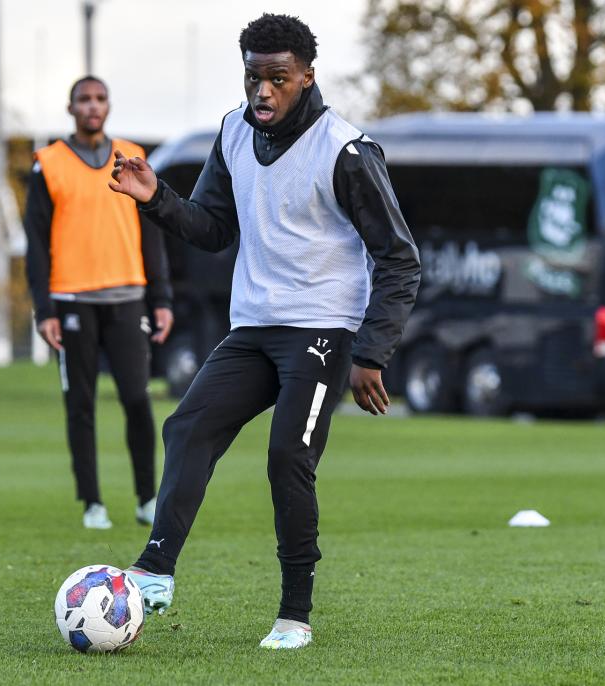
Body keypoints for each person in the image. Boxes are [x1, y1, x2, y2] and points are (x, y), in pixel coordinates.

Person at [111, 14, 420, 649]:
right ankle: (155, 571)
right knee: (189, 425)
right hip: (254, 326)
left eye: (278, 79)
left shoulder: (346, 150)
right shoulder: (231, 132)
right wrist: (155, 198)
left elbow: (399, 258)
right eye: (254, 77)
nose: (263, 92)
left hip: (324, 331)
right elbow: (214, 228)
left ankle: (294, 615)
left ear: (307, 77)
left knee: (287, 458)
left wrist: (371, 353)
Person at [23, 76, 174, 530]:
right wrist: (44, 309)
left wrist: (160, 297)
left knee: (136, 399)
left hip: (128, 297)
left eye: (100, 98)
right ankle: (92, 503)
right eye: (84, 99)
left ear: (108, 106)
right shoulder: (47, 163)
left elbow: (152, 230)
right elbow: (35, 243)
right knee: (81, 404)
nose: (93, 106)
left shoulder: (132, 157)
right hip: (71, 300)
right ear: (71, 108)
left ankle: (147, 498)